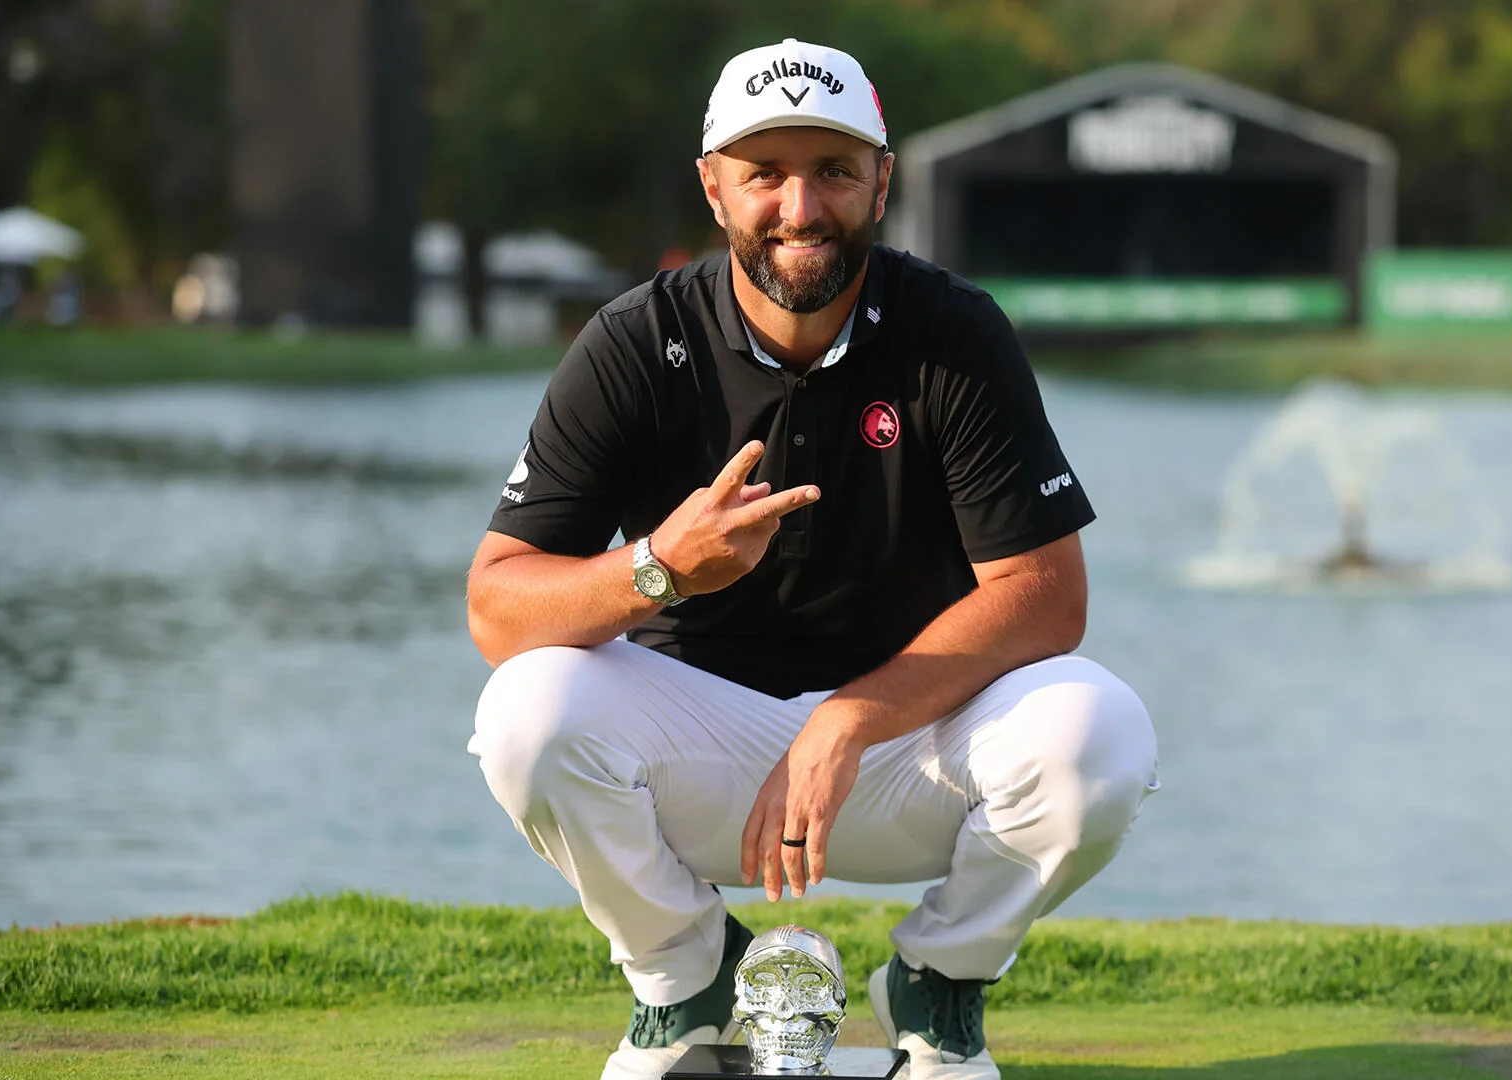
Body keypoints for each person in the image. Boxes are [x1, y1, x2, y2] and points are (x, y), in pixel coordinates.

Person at [465, 38, 1159, 1080]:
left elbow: (1048, 598)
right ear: (714, 188)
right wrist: (658, 567)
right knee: (526, 714)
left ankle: (939, 984)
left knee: (1101, 730)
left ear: (881, 183)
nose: (801, 206)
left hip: (903, 746)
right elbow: (496, 607)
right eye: (766, 174)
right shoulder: (634, 342)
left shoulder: (954, 332)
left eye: (833, 170)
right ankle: (687, 981)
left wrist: (849, 718)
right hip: (698, 751)